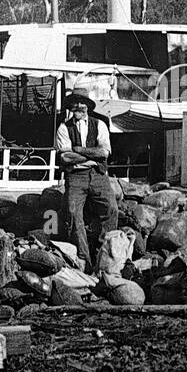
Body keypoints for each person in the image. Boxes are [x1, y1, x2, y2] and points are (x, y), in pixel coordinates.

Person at [54, 92, 116, 271]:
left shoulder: (100, 125)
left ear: (87, 106)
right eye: (73, 104)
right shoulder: (64, 128)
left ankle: (103, 256)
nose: (77, 108)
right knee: (73, 213)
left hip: (98, 175)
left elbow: (104, 153)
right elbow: (65, 157)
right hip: (76, 176)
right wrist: (91, 155)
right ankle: (84, 259)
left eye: (81, 104)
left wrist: (79, 150)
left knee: (111, 209)